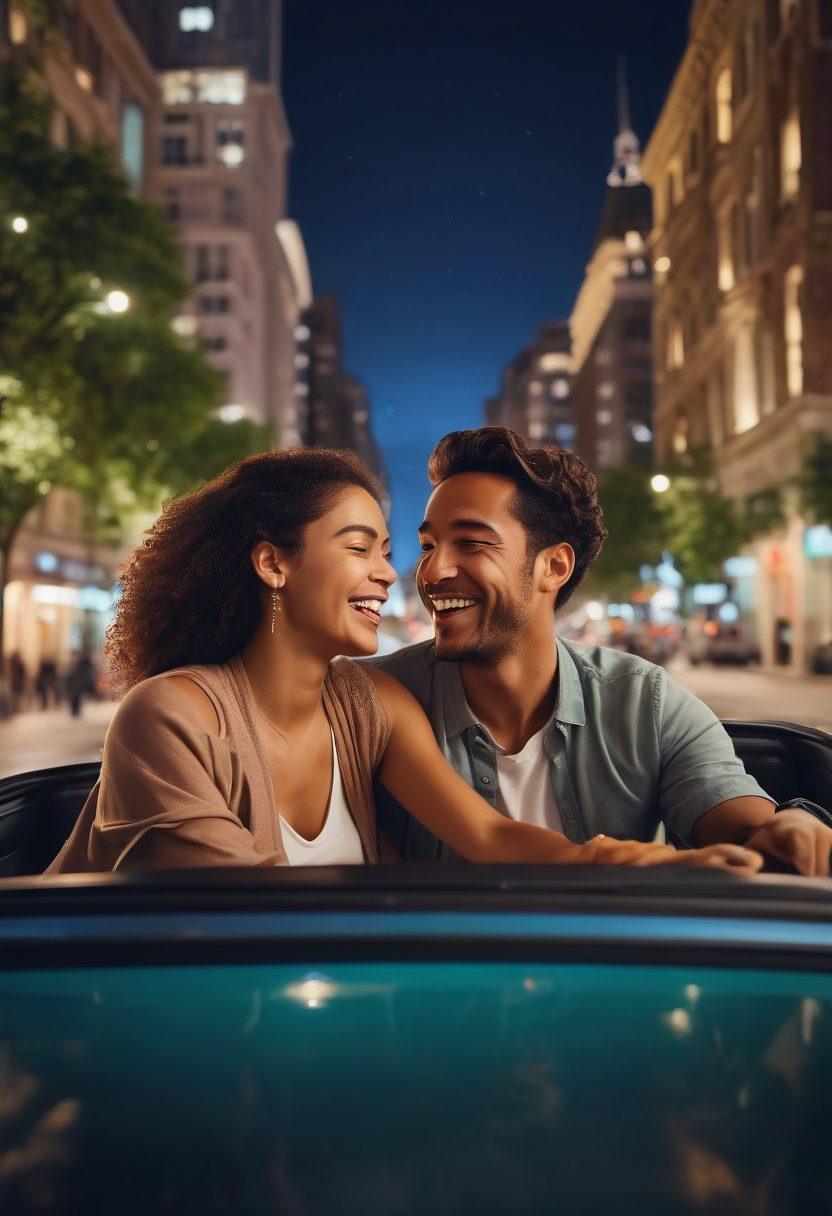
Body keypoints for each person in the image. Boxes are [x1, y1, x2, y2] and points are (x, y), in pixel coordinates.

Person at [46, 448, 760, 876]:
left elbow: (486, 835)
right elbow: (244, 913)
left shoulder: (372, 705)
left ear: (554, 567)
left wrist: (639, 862)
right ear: (272, 563)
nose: (396, 575)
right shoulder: (172, 714)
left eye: (388, 551)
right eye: (361, 548)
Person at [368, 427, 832, 877]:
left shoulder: (644, 702)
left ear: (554, 566)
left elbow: (745, 831)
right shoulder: (370, 703)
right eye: (428, 545)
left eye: (470, 542)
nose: (432, 571)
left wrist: (790, 827)